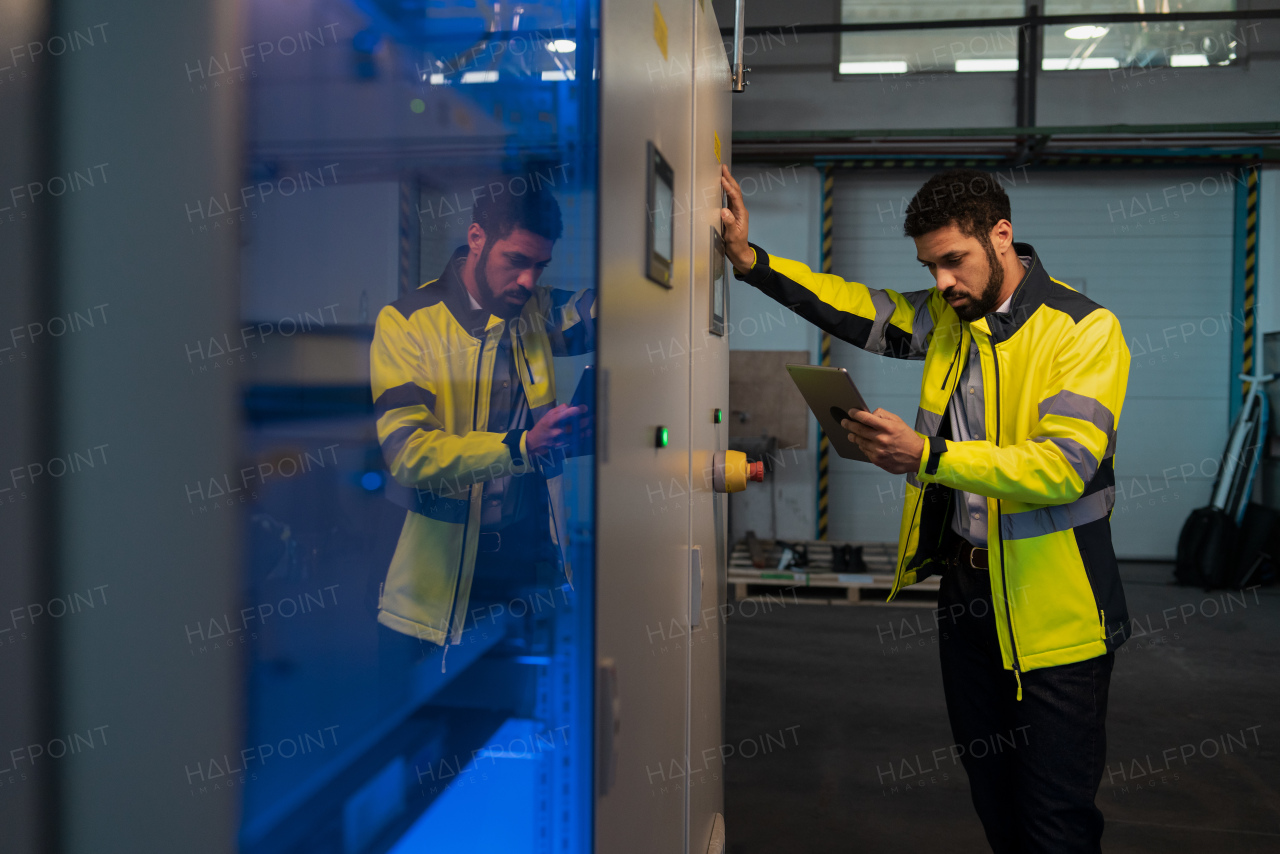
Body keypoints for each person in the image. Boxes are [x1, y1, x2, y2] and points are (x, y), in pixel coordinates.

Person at [719, 164, 1131, 853]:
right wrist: (749, 261)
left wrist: (930, 456)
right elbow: (856, 308)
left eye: (953, 261)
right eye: (929, 265)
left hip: (1057, 616)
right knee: (996, 806)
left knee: (1055, 823)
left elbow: (1065, 468)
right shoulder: (950, 315)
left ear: (1002, 236)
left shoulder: (1082, 331)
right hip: (968, 600)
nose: (941, 282)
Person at [370, 183, 594, 684]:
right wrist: (521, 446)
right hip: (434, 587)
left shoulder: (532, 310)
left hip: (522, 563)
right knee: (430, 746)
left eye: (540, 266)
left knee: (513, 729)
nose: (527, 279)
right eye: (516, 259)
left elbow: (609, 313)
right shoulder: (408, 322)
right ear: (476, 238)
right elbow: (408, 454)